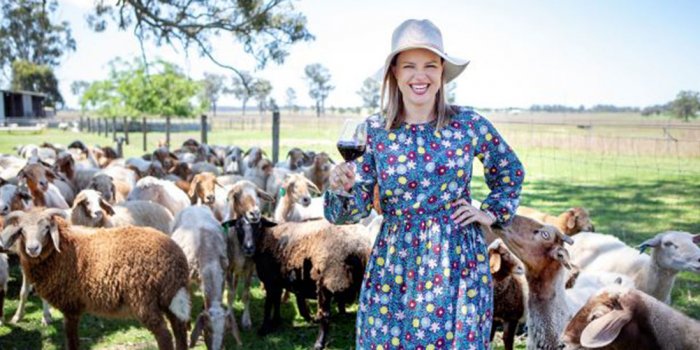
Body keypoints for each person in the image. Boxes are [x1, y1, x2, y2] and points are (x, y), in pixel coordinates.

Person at [323, 19, 525, 349]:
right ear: (395, 74)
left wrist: (490, 213)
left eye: (430, 65)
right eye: (410, 66)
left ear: (442, 71)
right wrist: (340, 188)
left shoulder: (468, 124)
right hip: (395, 262)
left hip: (457, 260)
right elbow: (348, 212)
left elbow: (510, 171)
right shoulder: (374, 131)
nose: (421, 76)